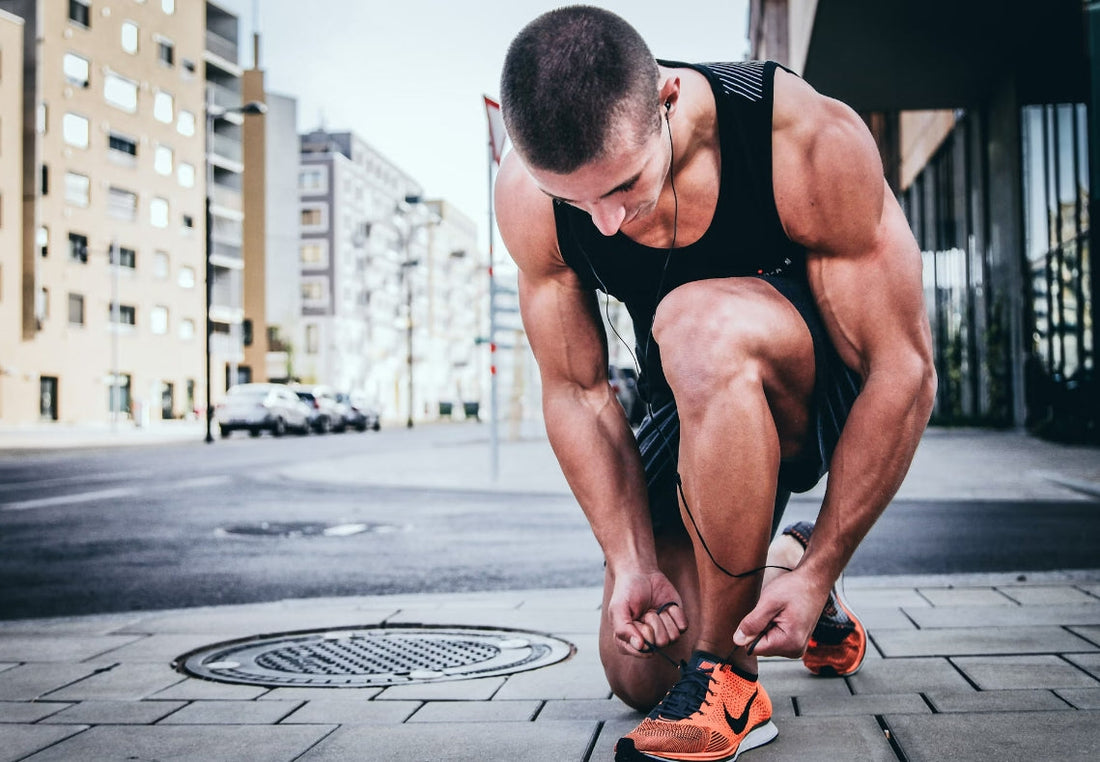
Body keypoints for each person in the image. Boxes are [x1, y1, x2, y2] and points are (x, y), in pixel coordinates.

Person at [495, 6, 936, 761]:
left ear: (667, 101)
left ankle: (731, 684)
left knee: (695, 321)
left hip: (810, 389)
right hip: (688, 398)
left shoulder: (798, 136)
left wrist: (835, 551)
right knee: (638, 667)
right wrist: (630, 559)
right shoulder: (530, 192)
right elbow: (578, 391)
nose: (603, 223)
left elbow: (905, 369)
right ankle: (783, 569)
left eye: (625, 185)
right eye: (577, 202)